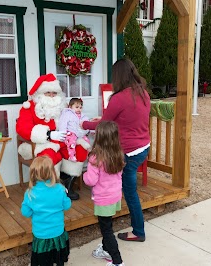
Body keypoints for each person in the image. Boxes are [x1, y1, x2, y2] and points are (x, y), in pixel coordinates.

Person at [82, 58, 150, 242]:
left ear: (118, 76)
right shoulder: (143, 93)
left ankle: (138, 232)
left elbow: (104, 123)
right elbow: (128, 119)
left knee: (130, 192)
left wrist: (83, 123)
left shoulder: (119, 98)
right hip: (143, 147)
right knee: (123, 186)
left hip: (129, 150)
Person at [16, 73, 87, 200]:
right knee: (50, 155)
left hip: (63, 140)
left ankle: (67, 185)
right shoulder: (29, 107)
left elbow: (73, 121)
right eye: (48, 93)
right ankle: (52, 190)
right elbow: (22, 128)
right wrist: (48, 134)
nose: (52, 96)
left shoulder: (63, 106)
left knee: (80, 149)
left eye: (54, 93)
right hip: (40, 143)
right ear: (39, 93)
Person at [83, 121, 126, 266]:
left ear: (99, 137)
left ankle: (117, 261)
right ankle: (106, 249)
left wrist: (84, 176)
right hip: (115, 196)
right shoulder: (118, 153)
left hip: (103, 199)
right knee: (107, 224)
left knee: (106, 230)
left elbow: (91, 180)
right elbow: (119, 175)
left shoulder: (95, 157)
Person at [21, 156, 71, 266]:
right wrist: (65, 195)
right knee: (58, 259)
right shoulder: (60, 188)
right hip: (57, 231)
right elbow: (67, 205)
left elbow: (25, 212)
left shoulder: (30, 193)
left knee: (44, 261)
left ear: (33, 173)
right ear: (52, 171)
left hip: (41, 234)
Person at [58, 97, 91, 162]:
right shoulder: (67, 114)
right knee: (71, 142)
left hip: (79, 133)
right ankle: (71, 155)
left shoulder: (83, 116)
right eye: (77, 107)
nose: (79, 109)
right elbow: (63, 123)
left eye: (80, 107)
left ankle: (89, 153)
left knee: (87, 140)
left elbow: (87, 123)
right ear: (70, 107)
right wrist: (62, 133)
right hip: (71, 132)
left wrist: (89, 130)